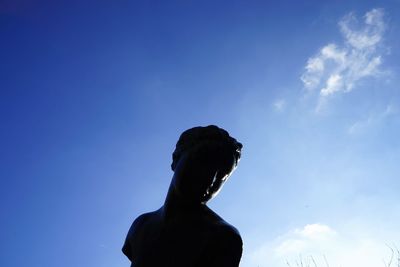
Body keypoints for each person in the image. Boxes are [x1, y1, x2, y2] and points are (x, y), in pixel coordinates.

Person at [122, 125, 243, 267]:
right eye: (203, 163)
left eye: (222, 176)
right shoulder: (141, 225)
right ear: (176, 159)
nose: (210, 179)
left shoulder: (223, 237)